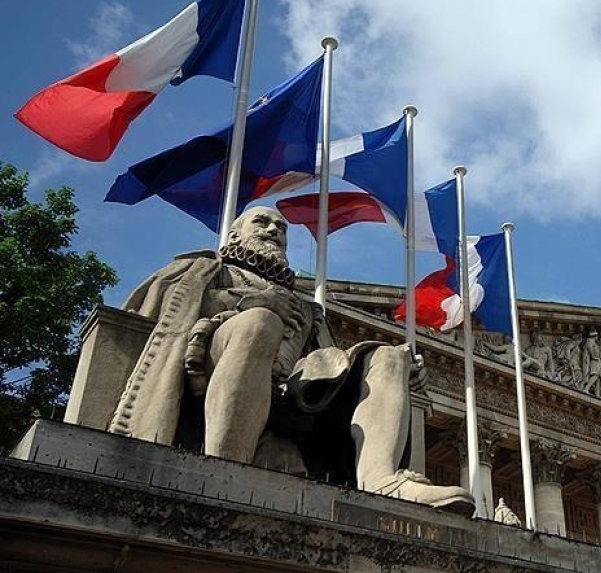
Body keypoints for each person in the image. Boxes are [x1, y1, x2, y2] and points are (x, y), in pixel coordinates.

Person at [107, 206, 473, 513]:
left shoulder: (307, 309)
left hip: (292, 393)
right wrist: (252, 302)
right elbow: (165, 312)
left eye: (281, 228)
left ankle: (381, 480)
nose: (274, 230)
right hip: (210, 365)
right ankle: (224, 470)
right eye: (262, 223)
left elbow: (327, 365)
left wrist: (402, 379)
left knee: (390, 355)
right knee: (259, 323)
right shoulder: (209, 271)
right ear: (235, 236)